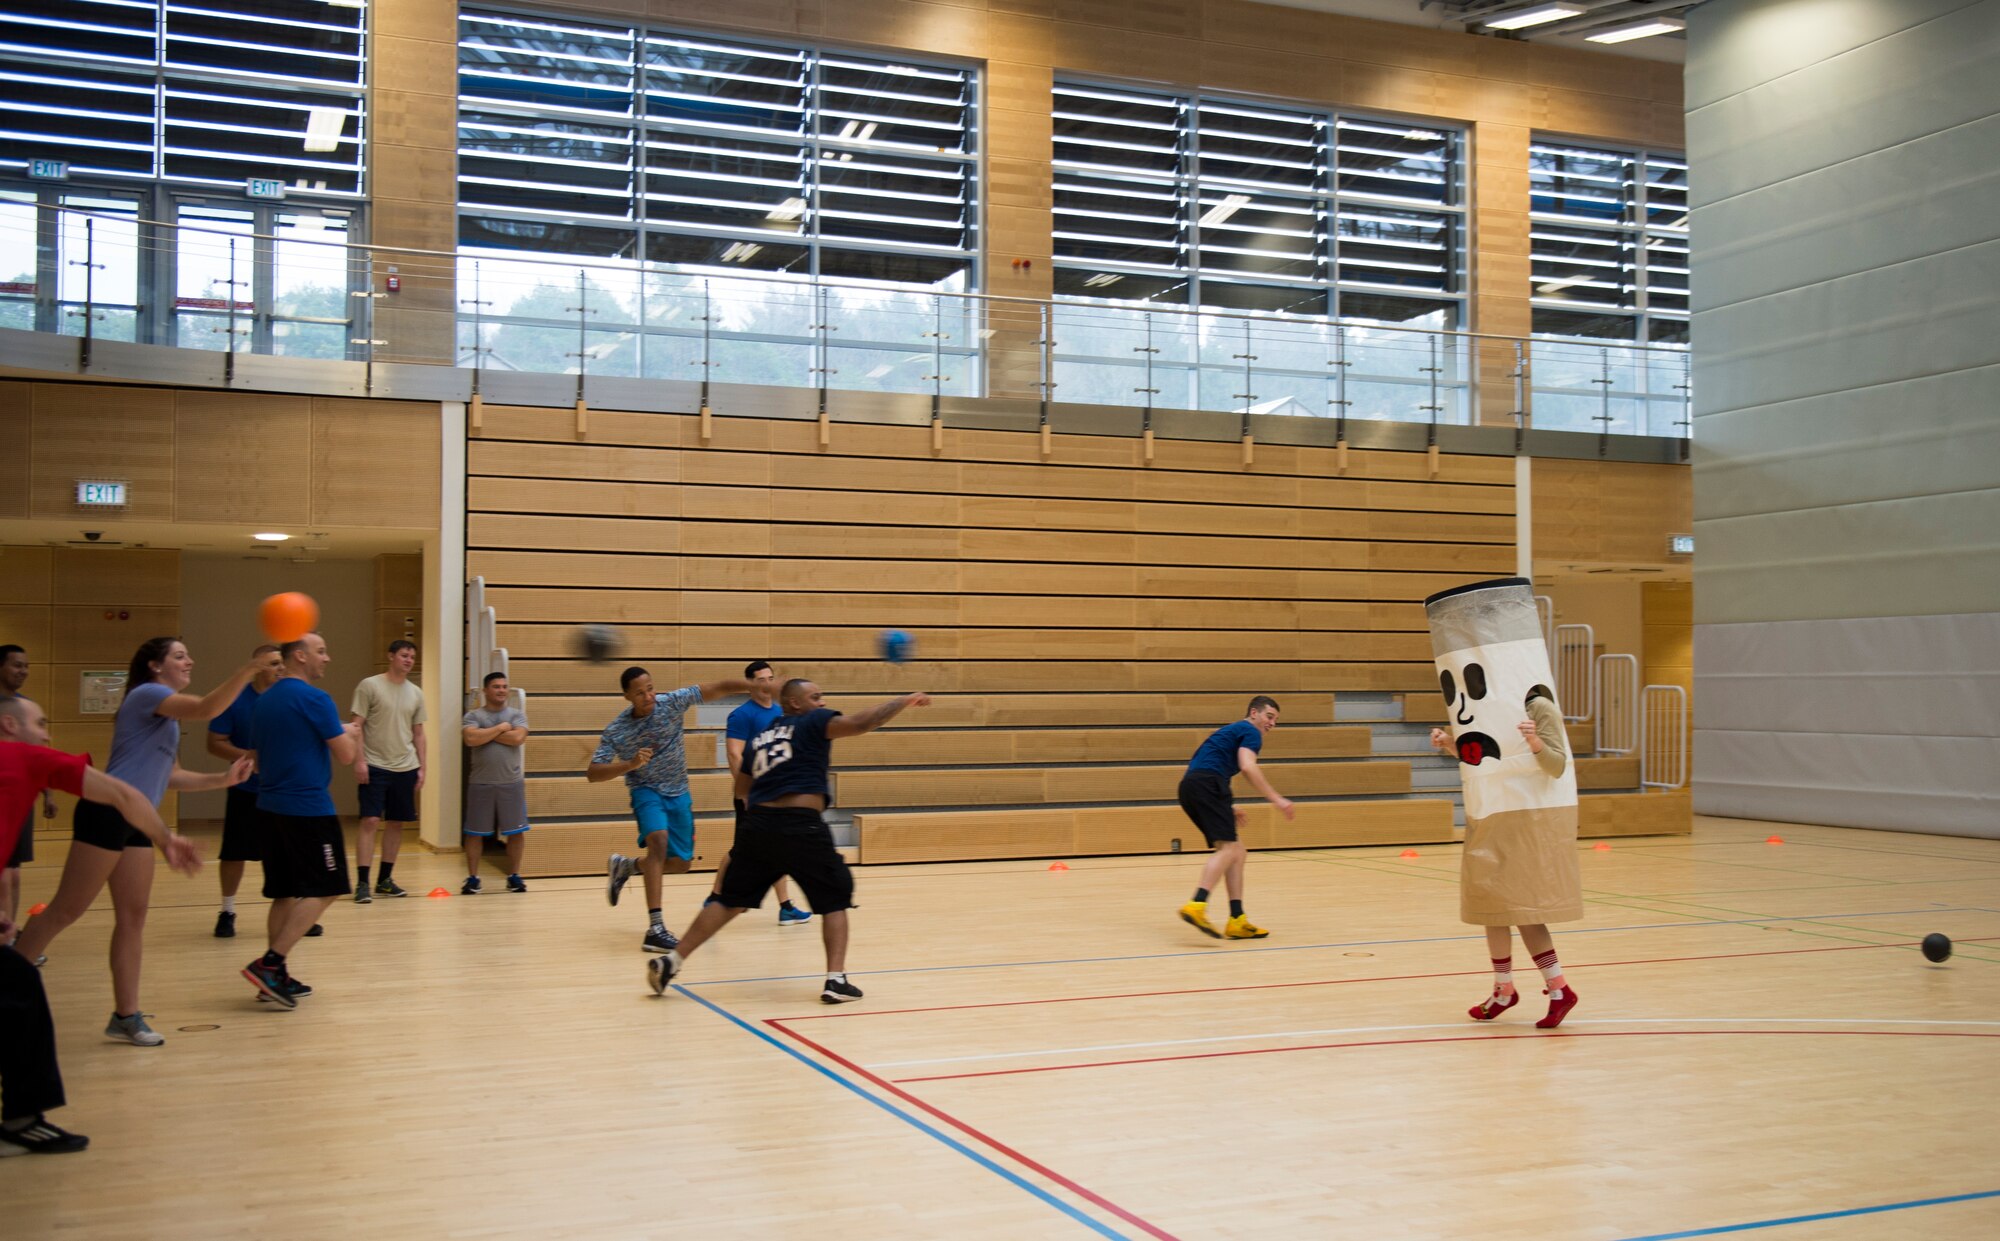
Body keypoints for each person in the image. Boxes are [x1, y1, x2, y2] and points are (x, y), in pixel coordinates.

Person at [13, 639, 255, 1047]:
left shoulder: (168, 718)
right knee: (65, 910)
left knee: (133, 918)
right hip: (107, 811)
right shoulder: (148, 694)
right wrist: (249, 671)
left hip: (140, 820)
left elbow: (170, 776)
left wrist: (221, 780)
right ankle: (9, 981)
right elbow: (206, 708)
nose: (189, 660)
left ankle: (125, 1015)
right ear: (154, 666)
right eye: (179, 655)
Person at [0, 694, 198, 1156]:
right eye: (41, 722)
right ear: (10, 725)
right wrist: (166, 839)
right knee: (21, 989)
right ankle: (22, 1120)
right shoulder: (27, 758)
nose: (48, 732)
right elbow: (123, 794)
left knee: (17, 983)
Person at [649, 680, 929, 1004]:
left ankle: (672, 960)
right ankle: (835, 980)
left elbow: (742, 788)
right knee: (835, 897)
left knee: (728, 900)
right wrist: (904, 700)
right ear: (795, 704)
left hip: (759, 826)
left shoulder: (759, 739)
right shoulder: (813, 721)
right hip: (801, 826)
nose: (822, 703)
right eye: (816, 697)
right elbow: (862, 723)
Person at [1431, 684, 1580, 1029]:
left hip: (1527, 816)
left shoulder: (1539, 706)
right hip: (1492, 812)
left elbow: (1557, 765)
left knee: (1525, 908)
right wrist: (1449, 743)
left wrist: (1535, 743)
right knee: (1491, 905)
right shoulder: (1483, 704)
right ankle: (1503, 989)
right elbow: (1484, 758)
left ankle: (1559, 988)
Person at [592, 666, 755, 953]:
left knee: (681, 864)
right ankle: (656, 928)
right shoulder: (617, 730)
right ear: (627, 696)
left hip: (679, 792)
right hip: (646, 791)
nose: (648, 696)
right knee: (658, 843)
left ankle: (627, 866)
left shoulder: (671, 703)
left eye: (650, 688)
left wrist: (753, 686)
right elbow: (593, 772)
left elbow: (716, 686)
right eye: (640, 693)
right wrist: (629, 765)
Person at [242, 632, 362, 1009]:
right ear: (300, 656)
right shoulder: (315, 698)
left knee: (283, 892)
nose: (327, 658)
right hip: (307, 809)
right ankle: (270, 963)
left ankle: (272, 981)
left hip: (268, 806)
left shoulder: (264, 701)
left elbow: (258, 758)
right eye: (321, 652)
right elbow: (344, 756)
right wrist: (352, 733)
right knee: (327, 887)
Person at [1176, 696, 1294, 940]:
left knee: (1237, 851)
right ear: (1254, 713)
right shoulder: (1251, 731)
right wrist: (1277, 799)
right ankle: (1197, 904)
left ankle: (1237, 919)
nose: (1272, 723)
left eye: (1276, 720)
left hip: (1192, 785)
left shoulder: (1231, 730)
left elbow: (1208, 764)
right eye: (1269, 716)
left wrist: (1229, 806)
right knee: (1229, 849)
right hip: (1208, 784)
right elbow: (1248, 766)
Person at [707, 660, 808, 925]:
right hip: (753, 795)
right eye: (761, 680)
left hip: (777, 793)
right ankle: (715, 897)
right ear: (751, 685)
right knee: (742, 849)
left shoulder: (780, 711)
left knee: (778, 848)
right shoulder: (742, 715)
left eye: (770, 678)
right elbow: (733, 753)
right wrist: (747, 791)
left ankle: (786, 907)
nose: (767, 684)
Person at [206, 644, 285, 938]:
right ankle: (227, 911)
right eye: (273, 663)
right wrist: (247, 757)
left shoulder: (288, 699)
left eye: (281, 663)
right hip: (245, 791)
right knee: (234, 853)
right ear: (257, 666)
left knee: (283, 853)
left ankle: (292, 911)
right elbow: (214, 742)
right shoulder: (236, 700)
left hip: (282, 791)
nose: (280, 668)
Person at [350, 640, 426, 902]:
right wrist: (359, 761)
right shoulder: (369, 685)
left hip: (406, 766)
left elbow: (419, 733)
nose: (408, 660)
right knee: (370, 821)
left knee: (396, 823)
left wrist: (422, 768)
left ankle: (385, 880)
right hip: (374, 765)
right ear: (391, 656)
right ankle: (362, 883)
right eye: (404, 655)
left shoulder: (416, 692)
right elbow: (356, 726)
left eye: (412, 657)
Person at [0, 645, 56, 939]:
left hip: (21, 801)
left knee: (15, 873)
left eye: (26, 666)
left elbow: (38, 756)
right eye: (16, 665)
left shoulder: (25, 708)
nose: (22, 671)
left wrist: (47, 792)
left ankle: (10, 932)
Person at [461, 671, 530, 895]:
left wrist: (485, 734)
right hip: (481, 784)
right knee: (474, 833)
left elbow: (518, 738)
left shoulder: (517, 715)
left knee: (516, 832)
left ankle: (514, 876)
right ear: (485, 690)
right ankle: (473, 878)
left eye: (504, 686)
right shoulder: (473, 716)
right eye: (496, 686)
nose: (501, 690)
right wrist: (500, 729)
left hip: (511, 783)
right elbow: (470, 739)